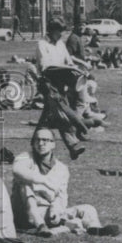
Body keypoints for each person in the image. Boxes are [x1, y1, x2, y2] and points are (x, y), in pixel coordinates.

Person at [11, 127, 120, 237]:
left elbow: (61, 196)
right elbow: (17, 170)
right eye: (37, 140)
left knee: (88, 209)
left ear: (53, 144)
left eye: (45, 140)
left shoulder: (61, 168)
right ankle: (41, 226)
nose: (41, 143)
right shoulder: (25, 157)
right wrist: (45, 182)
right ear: (33, 143)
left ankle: (95, 228)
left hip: (46, 213)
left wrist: (55, 210)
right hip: (25, 213)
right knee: (24, 184)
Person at [35, 20, 90, 160]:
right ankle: (79, 125)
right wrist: (62, 68)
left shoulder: (60, 44)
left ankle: (36, 145)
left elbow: (68, 61)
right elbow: (45, 65)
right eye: (59, 32)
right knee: (62, 110)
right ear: (52, 31)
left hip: (61, 83)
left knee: (49, 118)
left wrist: (75, 68)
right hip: (48, 84)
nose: (61, 35)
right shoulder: (42, 44)